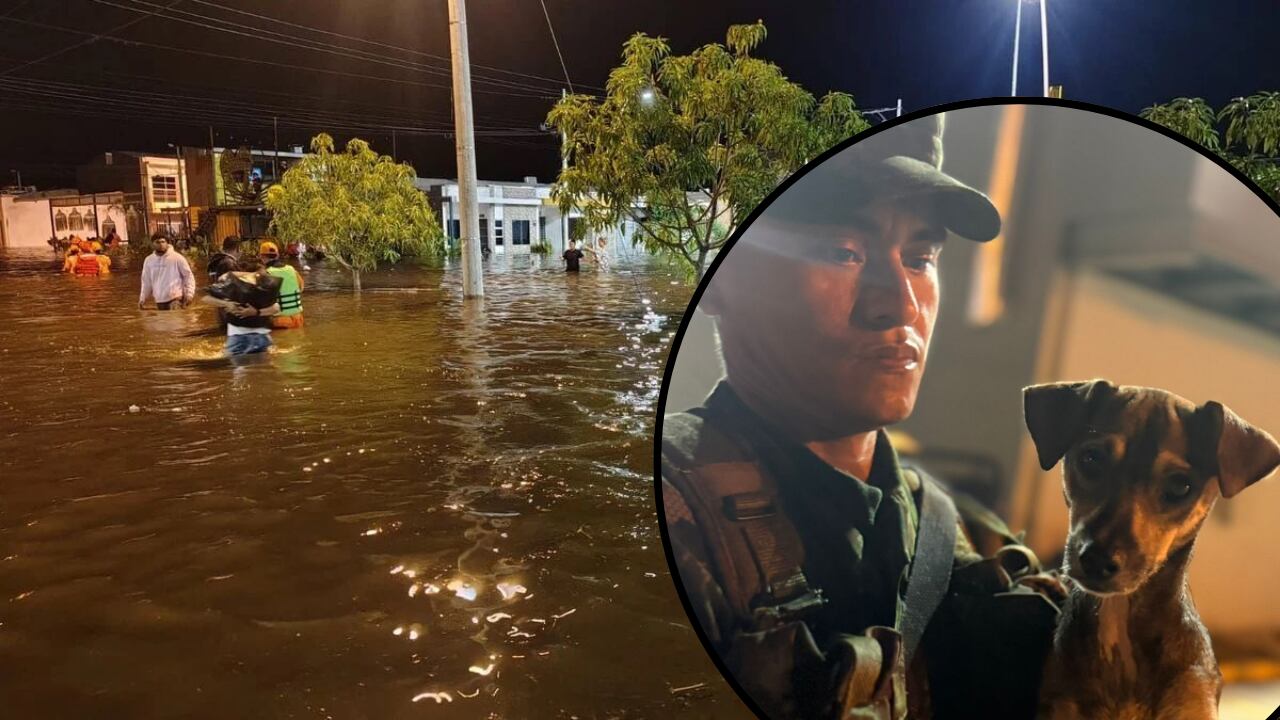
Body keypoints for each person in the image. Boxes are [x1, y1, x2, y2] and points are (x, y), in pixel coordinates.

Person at [660, 114, 1064, 720]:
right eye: (842, 251)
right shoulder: (673, 509)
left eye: (921, 257)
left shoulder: (962, 532)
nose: (898, 303)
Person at [203, 255, 281, 357]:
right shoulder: (235, 284)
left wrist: (255, 312)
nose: (265, 276)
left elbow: (276, 308)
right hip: (255, 337)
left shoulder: (261, 287)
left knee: (235, 367)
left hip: (250, 337)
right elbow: (206, 298)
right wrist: (227, 304)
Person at [138, 233, 195, 310]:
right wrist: (142, 298)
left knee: (175, 320)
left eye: (163, 242)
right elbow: (146, 282)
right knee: (163, 321)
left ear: (167, 243)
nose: (161, 244)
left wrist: (189, 294)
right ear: (152, 244)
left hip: (176, 298)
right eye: (158, 242)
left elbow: (188, 276)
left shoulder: (177, 257)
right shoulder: (149, 260)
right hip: (159, 300)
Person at [258, 241, 305, 329]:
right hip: (298, 318)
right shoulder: (292, 270)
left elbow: (260, 299)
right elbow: (301, 288)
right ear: (278, 255)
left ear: (262, 257)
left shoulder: (266, 273)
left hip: (280, 321)